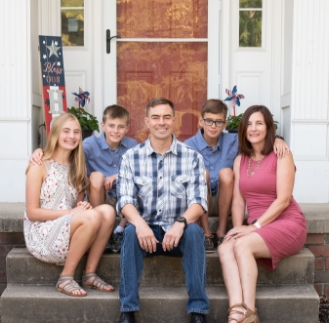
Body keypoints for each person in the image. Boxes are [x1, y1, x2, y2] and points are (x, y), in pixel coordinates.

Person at [116, 98, 209, 323]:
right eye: (156, 117)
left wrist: (179, 224)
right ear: (147, 122)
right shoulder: (131, 157)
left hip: (177, 233)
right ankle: (127, 310)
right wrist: (140, 225)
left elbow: (199, 201)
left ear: (174, 121)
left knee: (195, 232)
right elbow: (125, 200)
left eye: (167, 117)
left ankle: (198, 310)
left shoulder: (192, 157)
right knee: (129, 232)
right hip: (144, 234)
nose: (161, 122)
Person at [217, 105, 307, 322]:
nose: (253, 128)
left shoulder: (281, 154)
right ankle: (237, 310)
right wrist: (238, 228)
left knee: (242, 245)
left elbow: (283, 200)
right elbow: (238, 202)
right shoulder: (240, 160)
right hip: (257, 226)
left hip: (286, 222)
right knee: (225, 247)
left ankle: (250, 311)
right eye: (248, 124)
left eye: (259, 123)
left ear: (268, 128)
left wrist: (253, 227)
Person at [24, 113, 116, 297]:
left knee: (107, 211)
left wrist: (82, 209)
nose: (72, 136)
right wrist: (73, 212)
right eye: (66, 131)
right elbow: (32, 213)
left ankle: (89, 274)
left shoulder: (78, 168)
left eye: (76, 132)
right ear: (56, 133)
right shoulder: (39, 165)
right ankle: (66, 277)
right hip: (43, 234)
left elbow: (77, 207)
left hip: (67, 231)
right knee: (90, 215)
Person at [185, 99, 289, 253]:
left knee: (226, 173)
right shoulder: (188, 146)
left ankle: (221, 231)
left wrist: (278, 139)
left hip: (226, 200)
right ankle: (206, 232)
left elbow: (257, 138)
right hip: (200, 203)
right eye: (209, 121)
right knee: (202, 173)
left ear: (225, 124)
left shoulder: (234, 141)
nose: (213, 126)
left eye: (218, 122)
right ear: (201, 121)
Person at [30, 105, 137, 253]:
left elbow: (141, 169)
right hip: (100, 197)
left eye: (120, 127)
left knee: (140, 185)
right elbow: (69, 154)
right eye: (111, 126)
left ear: (126, 128)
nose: (115, 131)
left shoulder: (132, 145)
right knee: (97, 177)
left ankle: (119, 230)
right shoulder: (90, 144)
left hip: (125, 198)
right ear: (102, 126)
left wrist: (117, 176)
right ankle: (100, 231)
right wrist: (41, 151)